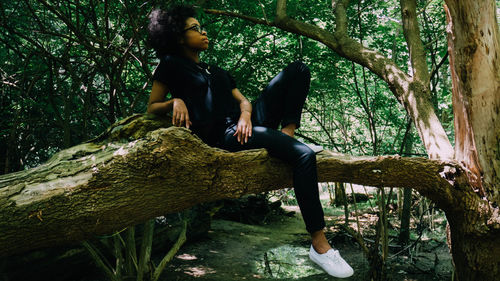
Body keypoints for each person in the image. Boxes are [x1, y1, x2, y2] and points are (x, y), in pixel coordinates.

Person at [146, 4, 353, 278]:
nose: (203, 31)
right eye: (195, 28)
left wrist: (246, 114)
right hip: (225, 138)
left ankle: (286, 138)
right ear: (178, 36)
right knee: (305, 156)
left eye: (201, 26)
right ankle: (319, 245)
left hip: (245, 125)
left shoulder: (214, 69)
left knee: (298, 69)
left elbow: (242, 99)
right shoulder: (171, 65)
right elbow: (152, 106)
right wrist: (175, 101)